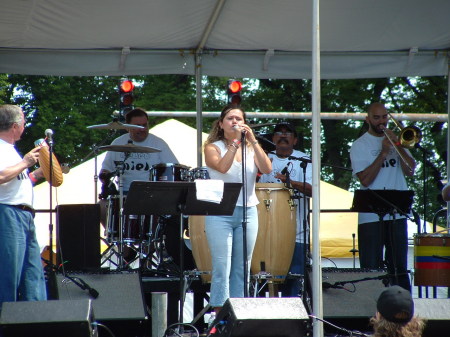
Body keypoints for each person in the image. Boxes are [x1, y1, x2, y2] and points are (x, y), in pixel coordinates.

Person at [204, 104, 272, 314]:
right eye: (231, 119)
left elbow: (267, 168)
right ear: (221, 124)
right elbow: (223, 167)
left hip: (248, 209)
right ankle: (219, 314)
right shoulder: (212, 147)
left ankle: (239, 311)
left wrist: (252, 141)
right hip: (220, 211)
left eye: (239, 119)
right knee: (222, 266)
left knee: (243, 265)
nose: (235, 122)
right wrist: (235, 143)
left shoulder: (251, 148)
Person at [350, 102, 416, 291]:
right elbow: (365, 180)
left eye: (384, 117)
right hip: (370, 216)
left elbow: (410, 170)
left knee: (399, 268)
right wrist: (384, 152)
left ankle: (403, 312)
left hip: (397, 212)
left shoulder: (398, 140)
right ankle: (370, 313)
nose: (381, 122)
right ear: (368, 119)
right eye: (377, 117)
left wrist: (399, 146)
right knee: (371, 268)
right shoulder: (359, 145)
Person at [99, 108, 178, 262]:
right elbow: (105, 169)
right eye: (137, 126)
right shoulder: (118, 143)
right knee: (100, 207)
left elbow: (173, 168)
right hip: (124, 194)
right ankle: (125, 249)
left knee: (154, 220)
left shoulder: (158, 143)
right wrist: (105, 178)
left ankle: (149, 256)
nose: (142, 129)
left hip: (150, 195)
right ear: (128, 127)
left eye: (145, 125)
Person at [0, 104, 47, 309]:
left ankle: (35, 322)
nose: (25, 125)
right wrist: (26, 162)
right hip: (8, 213)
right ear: (15, 125)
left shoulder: (10, 150)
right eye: (24, 122)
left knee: (33, 274)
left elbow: (14, 179)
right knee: (9, 274)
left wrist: (35, 175)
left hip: (23, 216)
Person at [259, 122, 312, 297]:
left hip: (297, 233)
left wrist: (290, 183)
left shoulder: (304, 160)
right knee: (261, 280)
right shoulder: (263, 158)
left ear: (295, 140)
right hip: (265, 233)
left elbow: (314, 190)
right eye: (279, 133)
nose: (283, 136)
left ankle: (294, 320)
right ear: (273, 138)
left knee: (294, 281)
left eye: (288, 133)